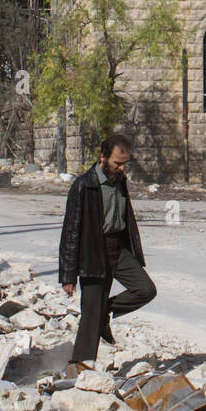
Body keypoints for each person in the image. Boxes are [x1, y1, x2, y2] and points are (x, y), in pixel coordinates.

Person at [59, 133, 156, 372]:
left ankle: (106, 312)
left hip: (119, 250)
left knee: (145, 289)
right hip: (93, 253)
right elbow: (70, 231)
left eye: (124, 164)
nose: (122, 168)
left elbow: (126, 219)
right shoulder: (84, 185)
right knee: (90, 314)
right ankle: (79, 368)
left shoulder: (119, 181)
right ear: (102, 158)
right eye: (117, 163)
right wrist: (68, 275)